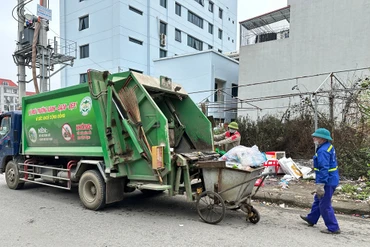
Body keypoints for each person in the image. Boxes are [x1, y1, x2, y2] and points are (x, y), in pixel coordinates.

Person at [300, 128, 340, 234]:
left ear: (322, 138)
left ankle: (333, 227)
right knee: (318, 199)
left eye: (316, 136)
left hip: (327, 181)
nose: (313, 138)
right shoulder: (327, 147)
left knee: (324, 204)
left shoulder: (323, 151)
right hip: (331, 178)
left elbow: (323, 168)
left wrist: (321, 184)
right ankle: (311, 218)